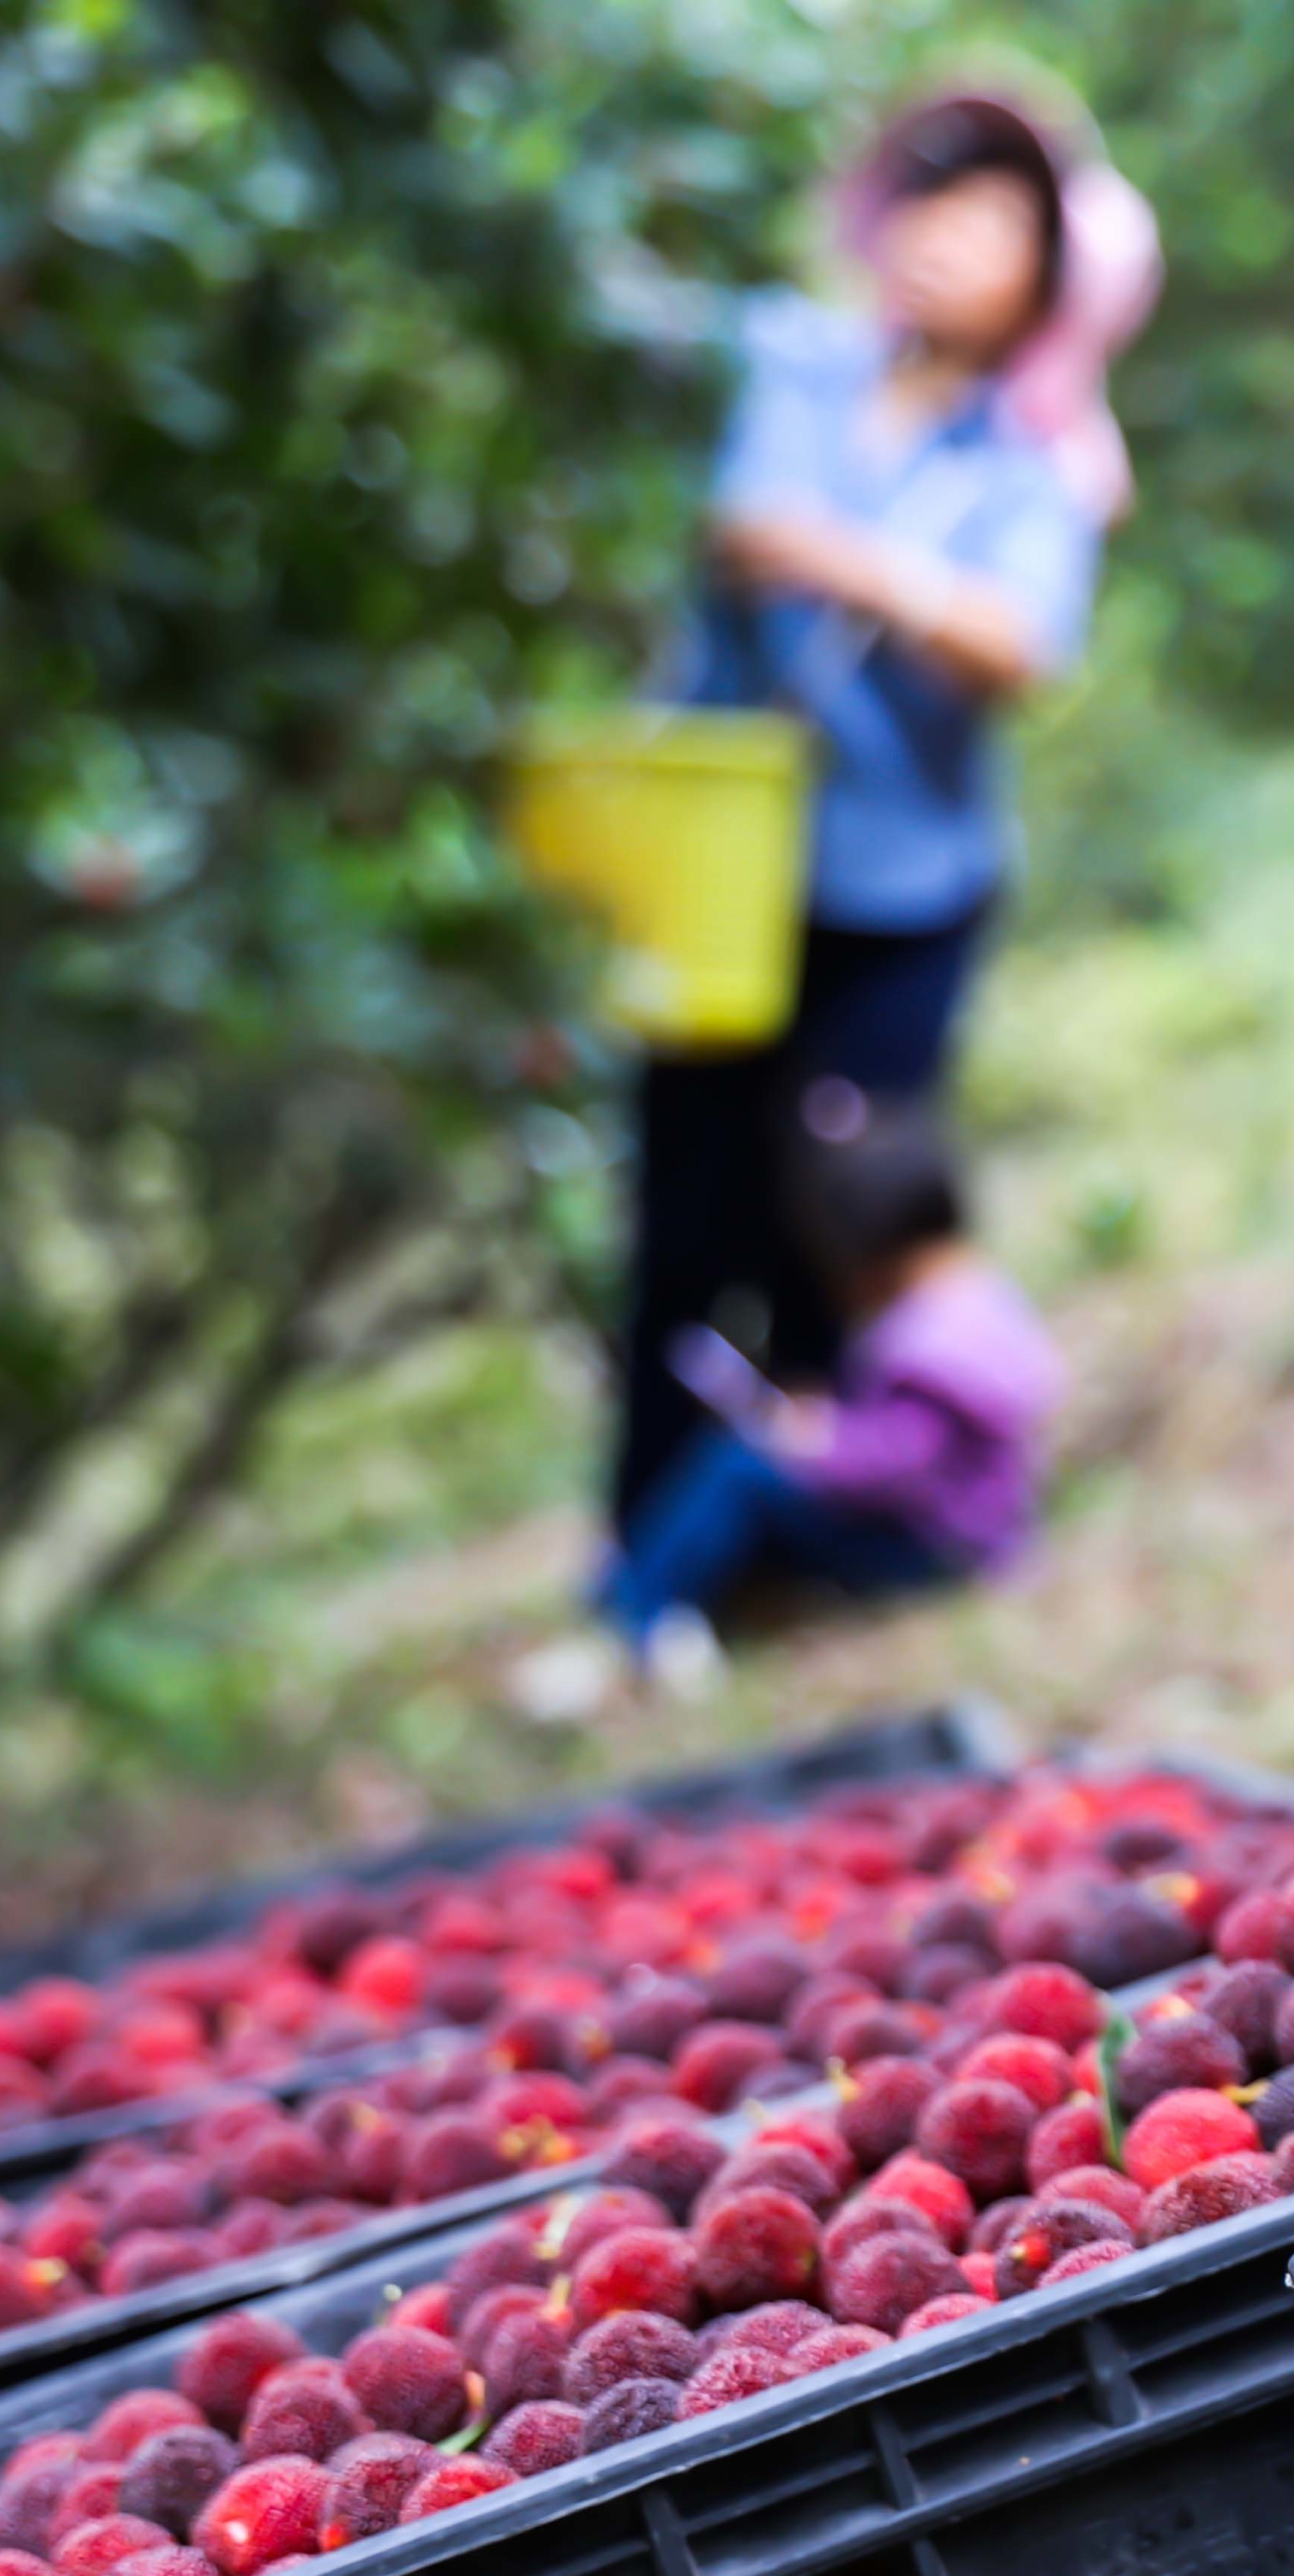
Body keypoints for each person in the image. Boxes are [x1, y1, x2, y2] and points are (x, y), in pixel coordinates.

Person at [612, 87, 1157, 1533]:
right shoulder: (791, 366)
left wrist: (853, 568)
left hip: (905, 889)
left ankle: (830, 1520)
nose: (947, 246)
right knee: (686, 1217)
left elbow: (1018, 645)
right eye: (936, 205)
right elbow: (740, 520)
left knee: (849, 1209)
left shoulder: (1029, 459)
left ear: (1045, 278)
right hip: (724, 872)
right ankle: (653, 1544)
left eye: (997, 226)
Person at [536, 1118, 1065, 1707]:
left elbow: (899, 1462)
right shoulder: (978, 1296)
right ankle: (659, 1599)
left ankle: (634, 1617)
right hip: (972, 1528)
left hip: (940, 1547)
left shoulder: (929, 1339)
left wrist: (812, 1438)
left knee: (738, 1470)